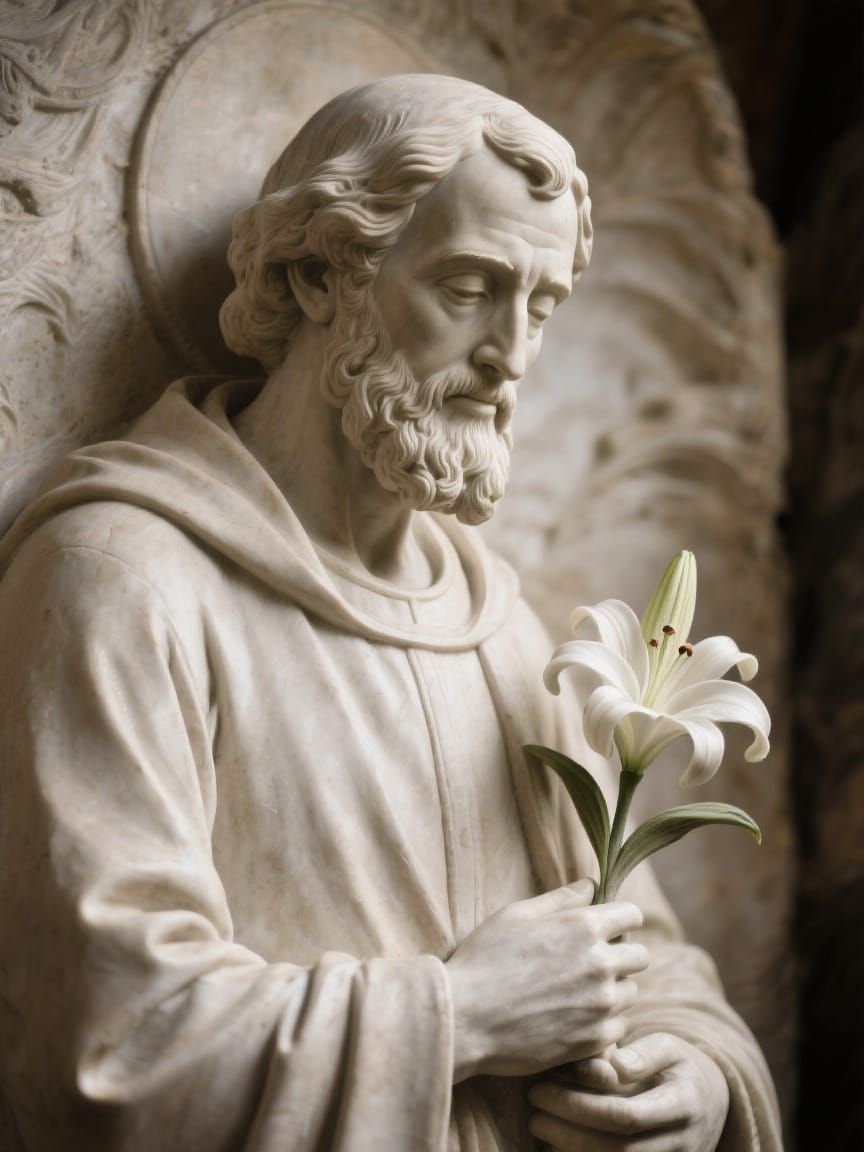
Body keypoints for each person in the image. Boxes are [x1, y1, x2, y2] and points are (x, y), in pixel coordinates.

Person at [0, 75, 781, 1151]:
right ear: (321, 273)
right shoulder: (121, 579)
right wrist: (460, 1015)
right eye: (471, 287)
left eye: (542, 304)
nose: (513, 354)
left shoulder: (508, 637)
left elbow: (640, 961)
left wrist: (689, 1076)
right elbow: (109, 1047)